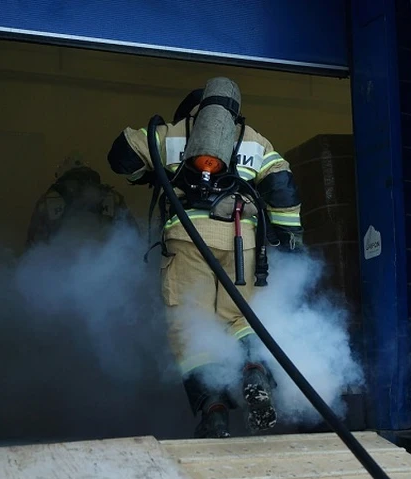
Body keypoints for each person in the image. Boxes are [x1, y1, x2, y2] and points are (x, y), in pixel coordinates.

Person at [106, 79, 304, 438]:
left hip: (187, 240)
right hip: (241, 244)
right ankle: (254, 372)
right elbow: (282, 187)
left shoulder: (172, 134)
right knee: (240, 318)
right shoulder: (255, 140)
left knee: (190, 326)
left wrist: (151, 170)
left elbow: (120, 156)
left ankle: (213, 411)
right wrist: (290, 239)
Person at [26, 155, 134, 249]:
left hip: (61, 259)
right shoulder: (111, 196)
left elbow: (34, 242)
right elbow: (132, 234)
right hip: (106, 258)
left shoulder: (50, 198)